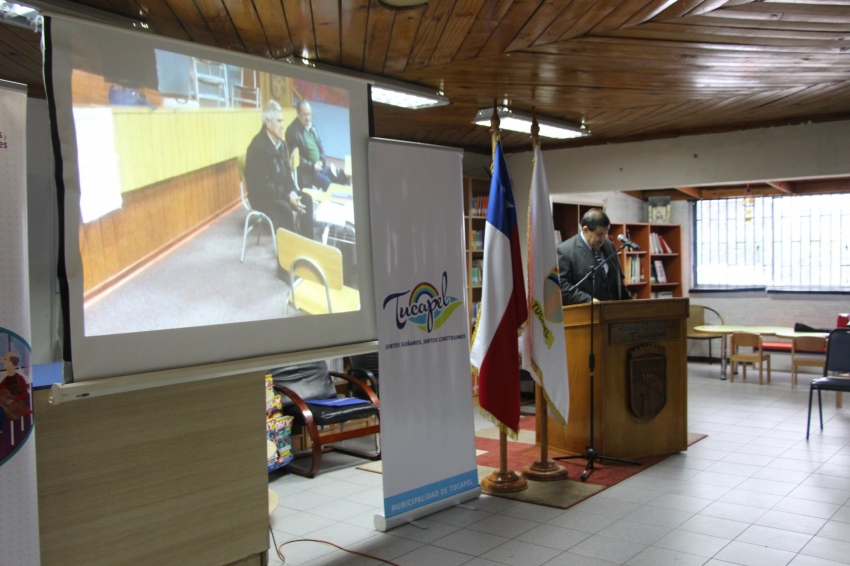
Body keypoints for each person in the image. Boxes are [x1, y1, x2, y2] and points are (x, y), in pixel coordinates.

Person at [245, 100, 314, 240]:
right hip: (261, 197)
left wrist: (293, 192)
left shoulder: (281, 145)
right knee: (285, 208)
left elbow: (287, 175)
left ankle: (308, 244)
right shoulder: (257, 148)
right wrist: (288, 198)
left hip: (279, 192)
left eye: (282, 121)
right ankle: (288, 252)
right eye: (279, 121)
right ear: (268, 123)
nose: (282, 125)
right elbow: (264, 186)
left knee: (306, 199)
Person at [557, 209, 632, 305]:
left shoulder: (610, 246)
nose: (604, 238)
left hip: (613, 310)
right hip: (586, 311)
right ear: (585, 230)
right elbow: (562, 286)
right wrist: (588, 300)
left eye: (606, 233)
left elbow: (618, 282)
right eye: (599, 234)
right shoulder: (565, 251)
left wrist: (631, 304)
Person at [285, 99, 349, 191]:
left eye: (309, 114)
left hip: (319, 167)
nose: (308, 118)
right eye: (304, 115)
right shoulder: (292, 132)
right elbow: (297, 158)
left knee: (341, 177)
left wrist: (321, 161)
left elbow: (320, 146)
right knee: (327, 183)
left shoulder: (311, 126)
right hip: (307, 173)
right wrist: (313, 167)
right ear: (298, 115)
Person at [0, 352, 32, 431]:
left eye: (7, 361)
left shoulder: (19, 378)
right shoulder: (6, 379)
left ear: (12, 364)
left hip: (17, 406)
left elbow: (25, 394)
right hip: (8, 405)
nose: (5, 364)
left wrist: (13, 400)